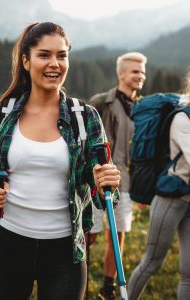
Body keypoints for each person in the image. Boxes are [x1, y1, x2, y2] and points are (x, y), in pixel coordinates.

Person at [0, 22, 121, 300]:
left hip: (65, 252)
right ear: (26, 61)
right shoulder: (2, 114)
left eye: (62, 55)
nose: (55, 63)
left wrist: (107, 184)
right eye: (44, 55)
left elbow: (104, 194)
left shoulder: (84, 116)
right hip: (10, 244)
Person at [87, 52, 147, 300]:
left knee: (118, 233)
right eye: (135, 71)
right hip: (97, 181)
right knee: (88, 234)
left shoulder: (143, 108)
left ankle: (108, 287)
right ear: (121, 74)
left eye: (143, 71)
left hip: (125, 183)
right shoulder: (101, 102)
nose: (140, 76)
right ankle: (78, 284)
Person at [127, 74, 190, 300]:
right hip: (170, 198)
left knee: (188, 272)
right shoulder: (183, 118)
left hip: (188, 200)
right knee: (152, 262)